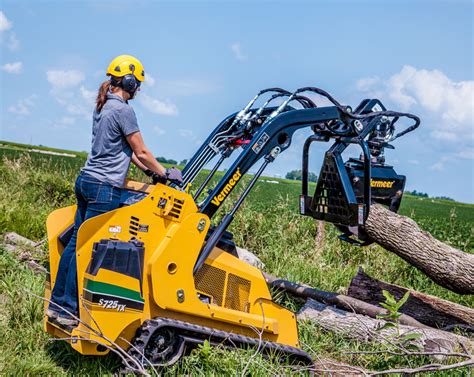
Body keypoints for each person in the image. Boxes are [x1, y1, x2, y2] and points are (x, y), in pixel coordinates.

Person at [47, 55, 183, 327]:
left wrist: (149, 172)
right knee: (90, 250)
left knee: (75, 245)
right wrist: (166, 173)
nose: (139, 90)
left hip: (86, 181)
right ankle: (70, 311)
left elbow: (125, 151)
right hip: (103, 189)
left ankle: (57, 305)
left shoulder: (103, 106)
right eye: (138, 84)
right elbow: (141, 150)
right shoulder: (124, 110)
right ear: (130, 81)